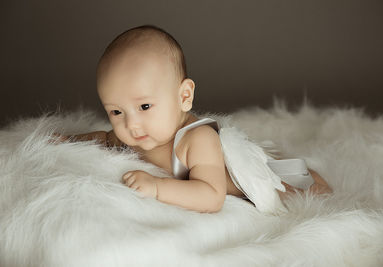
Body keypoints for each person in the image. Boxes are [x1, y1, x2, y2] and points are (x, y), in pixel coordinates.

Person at [52, 25, 332, 213]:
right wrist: (71, 140)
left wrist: (157, 186)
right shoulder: (135, 136)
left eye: (145, 106)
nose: (131, 124)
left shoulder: (197, 140)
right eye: (116, 112)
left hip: (251, 181)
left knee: (295, 187)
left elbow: (211, 196)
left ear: (184, 96)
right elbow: (105, 139)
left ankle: (313, 179)